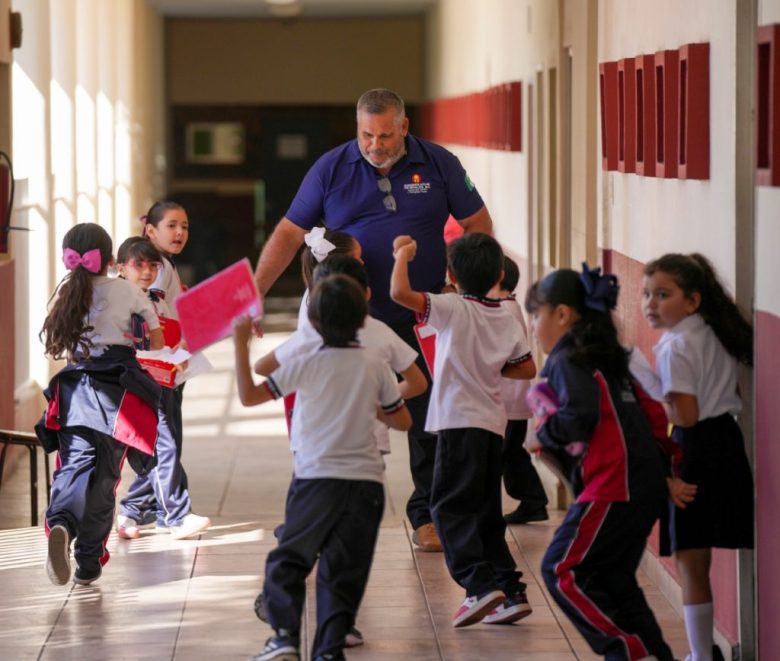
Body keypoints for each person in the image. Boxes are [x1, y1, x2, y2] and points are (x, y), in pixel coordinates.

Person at [253, 88, 493, 552]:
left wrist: (456, 279)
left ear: (404, 127)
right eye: (367, 134)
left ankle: (426, 515)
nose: (375, 145)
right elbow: (288, 232)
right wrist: (255, 293)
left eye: (385, 135)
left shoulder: (439, 163)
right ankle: (315, 517)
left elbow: (478, 224)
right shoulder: (331, 167)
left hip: (419, 314)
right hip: (348, 321)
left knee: (429, 420)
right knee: (331, 422)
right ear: (356, 128)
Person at [233, 274, 412, 661]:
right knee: (344, 572)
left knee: (290, 558)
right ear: (363, 318)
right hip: (366, 483)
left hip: (317, 479)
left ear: (312, 322)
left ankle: (284, 636)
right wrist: (372, 406)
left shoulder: (305, 361)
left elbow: (249, 396)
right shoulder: (374, 364)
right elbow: (403, 422)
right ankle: (329, 651)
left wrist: (238, 344)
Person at [524, 264, 691, 661]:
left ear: (562, 314)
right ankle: (655, 654)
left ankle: (626, 651)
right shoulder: (608, 357)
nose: (533, 326)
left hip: (614, 484)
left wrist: (544, 432)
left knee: (560, 570)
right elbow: (652, 414)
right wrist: (665, 470)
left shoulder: (566, 361)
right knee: (615, 580)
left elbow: (578, 417)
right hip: (643, 483)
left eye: (536, 314)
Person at [390, 232, 536, 627]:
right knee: (487, 512)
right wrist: (489, 367)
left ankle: (478, 585)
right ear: (499, 273)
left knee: (448, 508)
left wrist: (403, 254)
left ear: (450, 274)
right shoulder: (506, 313)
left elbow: (399, 292)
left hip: (458, 424)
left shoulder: (451, 307)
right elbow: (526, 368)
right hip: (493, 425)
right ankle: (512, 591)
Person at [35, 223, 164, 586]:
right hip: (117, 395)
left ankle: (60, 522)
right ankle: (88, 560)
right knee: (106, 477)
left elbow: (60, 347)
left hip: (74, 391)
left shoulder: (66, 295)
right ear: (110, 260)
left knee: (74, 465)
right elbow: (155, 340)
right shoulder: (128, 290)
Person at [643, 253, 753, 661]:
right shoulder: (714, 332)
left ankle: (700, 655)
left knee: (691, 560)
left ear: (692, 300)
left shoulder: (675, 346)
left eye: (663, 294)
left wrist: (654, 398)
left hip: (694, 446)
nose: (651, 304)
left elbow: (684, 414)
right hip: (726, 439)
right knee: (701, 550)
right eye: (647, 294)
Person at [113, 237, 211, 541]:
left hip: (161, 383)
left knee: (159, 449)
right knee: (160, 448)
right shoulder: (115, 301)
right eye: (138, 264)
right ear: (120, 268)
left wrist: (177, 356)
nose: (146, 271)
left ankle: (132, 510)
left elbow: (166, 340)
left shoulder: (158, 301)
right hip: (131, 387)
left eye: (152, 265)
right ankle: (177, 515)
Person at [495, 255, 548, 525]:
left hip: (509, 397)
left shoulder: (503, 310)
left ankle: (533, 500)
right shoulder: (507, 306)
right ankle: (533, 501)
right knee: (512, 452)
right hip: (511, 397)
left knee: (508, 453)